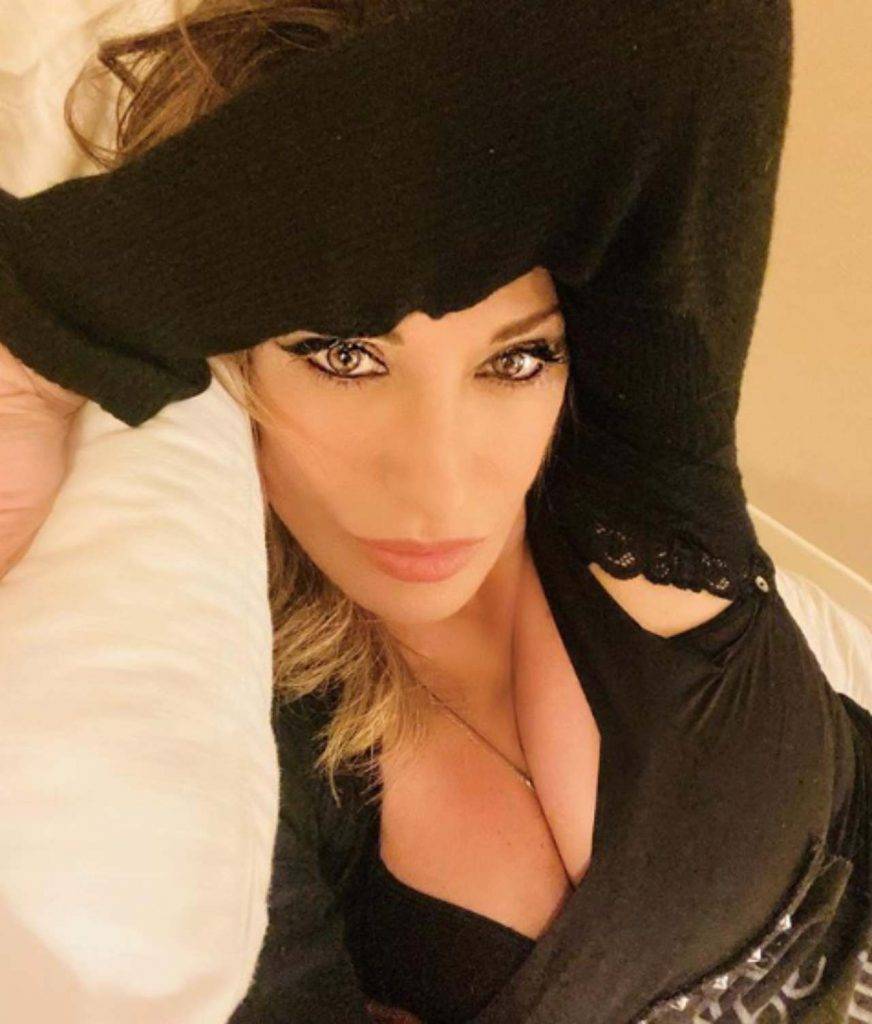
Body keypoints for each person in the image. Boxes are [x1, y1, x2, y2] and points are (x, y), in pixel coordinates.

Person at [1, 2, 869, 1022]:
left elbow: (698, 26)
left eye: (517, 358)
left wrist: (39, 323)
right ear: (224, 351)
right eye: (343, 355)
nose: (441, 490)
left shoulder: (645, 498)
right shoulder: (245, 761)